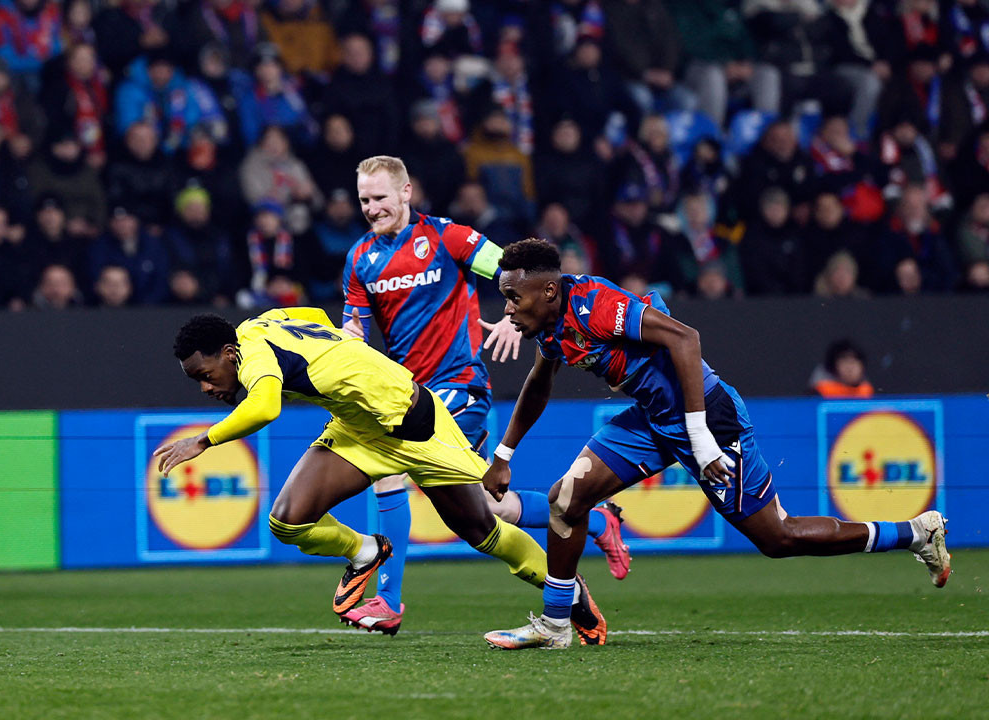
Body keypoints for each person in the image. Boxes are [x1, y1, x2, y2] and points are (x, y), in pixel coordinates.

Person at [481, 239, 951, 650]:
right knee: (566, 499)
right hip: (653, 419)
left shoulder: (595, 305)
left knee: (778, 538)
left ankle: (914, 533)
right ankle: (556, 625)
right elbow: (538, 384)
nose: (507, 308)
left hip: (707, 415)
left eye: (513, 297)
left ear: (548, 290)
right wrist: (503, 455)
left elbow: (686, 339)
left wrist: (701, 435)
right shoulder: (551, 327)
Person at [156, 308, 595, 636]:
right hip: (358, 427)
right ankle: (366, 551)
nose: (206, 387)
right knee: (287, 521)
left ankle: (570, 594)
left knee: (482, 526)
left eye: (205, 375)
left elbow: (266, 406)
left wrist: (203, 440)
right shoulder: (259, 324)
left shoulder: (253, 360)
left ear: (228, 353)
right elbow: (314, 316)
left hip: (414, 424)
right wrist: (342, 353)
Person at [337, 156, 628, 640]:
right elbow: (356, 327)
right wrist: (348, 342)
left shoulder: (447, 237)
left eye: (381, 197)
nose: (372, 208)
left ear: (406, 192)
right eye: (365, 199)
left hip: (458, 384)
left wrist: (515, 318)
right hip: (407, 393)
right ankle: (594, 521)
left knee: (388, 468)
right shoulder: (359, 258)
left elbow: (514, 272)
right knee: (491, 508)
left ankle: (388, 600)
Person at [809, 339, 874, 397]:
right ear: (833, 366)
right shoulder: (819, 393)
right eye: (845, 362)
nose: (850, 368)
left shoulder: (868, 392)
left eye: (854, 362)